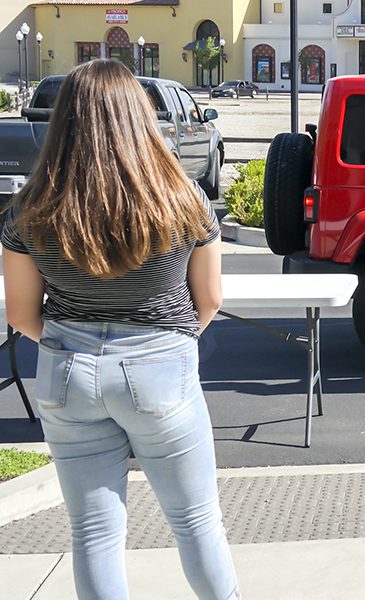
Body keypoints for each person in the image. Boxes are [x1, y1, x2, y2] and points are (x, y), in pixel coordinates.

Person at [2, 60, 238, 600]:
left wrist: (77, 347)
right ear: (140, 116)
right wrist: (164, 345)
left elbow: (20, 315)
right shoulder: (184, 200)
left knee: (93, 535)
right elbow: (210, 300)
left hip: (67, 374)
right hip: (161, 368)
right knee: (196, 523)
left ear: (64, 121)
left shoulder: (31, 209)